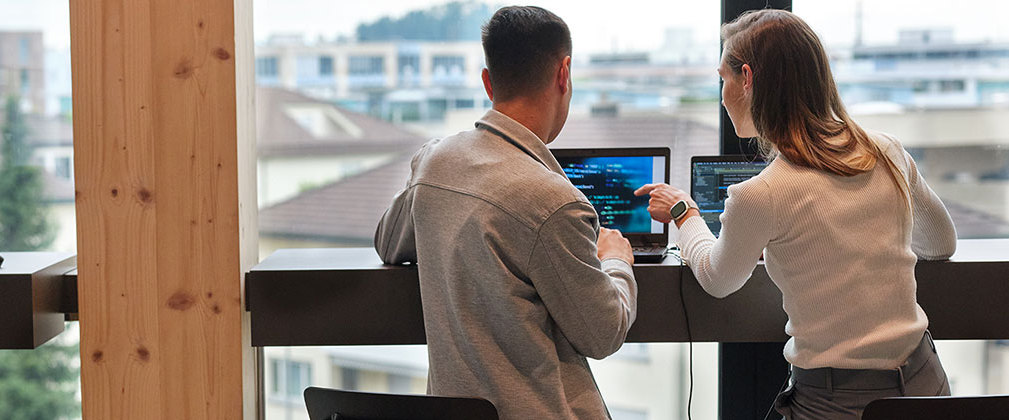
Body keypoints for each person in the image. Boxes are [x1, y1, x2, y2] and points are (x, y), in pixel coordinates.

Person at [635, 9, 957, 419]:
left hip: (837, 402)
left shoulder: (762, 194)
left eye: (723, 79)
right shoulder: (887, 151)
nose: (721, 94)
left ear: (747, 79)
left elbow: (717, 279)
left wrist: (684, 211)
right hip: (926, 383)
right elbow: (942, 243)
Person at [374, 6, 637, 420]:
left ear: (487, 81)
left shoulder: (435, 161)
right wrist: (617, 260)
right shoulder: (555, 202)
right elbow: (604, 333)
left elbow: (388, 245)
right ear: (564, 74)